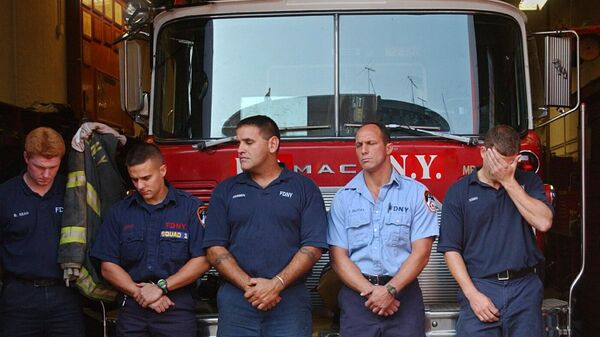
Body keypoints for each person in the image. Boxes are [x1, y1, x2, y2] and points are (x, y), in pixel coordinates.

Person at [203, 115, 328, 337]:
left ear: (272, 144)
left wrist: (276, 285)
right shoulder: (225, 190)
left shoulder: (305, 189)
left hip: (290, 302)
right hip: (237, 302)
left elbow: (312, 247)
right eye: (238, 142)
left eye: (248, 142)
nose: (240, 149)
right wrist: (251, 288)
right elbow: (214, 249)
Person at [438, 125, 553, 337]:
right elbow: (450, 249)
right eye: (499, 161)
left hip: (524, 288)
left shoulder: (529, 182)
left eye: (511, 162)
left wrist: (509, 182)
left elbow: (544, 223)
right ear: (484, 152)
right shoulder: (459, 191)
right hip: (481, 286)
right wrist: (472, 294)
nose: (505, 168)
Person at [328, 122, 438, 337]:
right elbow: (337, 257)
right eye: (358, 145)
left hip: (403, 298)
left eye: (371, 143)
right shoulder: (343, 198)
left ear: (389, 148)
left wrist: (390, 290)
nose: (364, 151)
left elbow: (422, 252)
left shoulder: (416, 193)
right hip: (358, 299)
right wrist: (373, 293)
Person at [91, 143, 209, 337]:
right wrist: (141, 294)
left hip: (175, 308)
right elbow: (108, 265)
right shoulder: (119, 212)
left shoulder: (190, 208)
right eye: (134, 179)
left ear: (162, 170)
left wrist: (161, 287)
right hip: (132, 309)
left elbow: (203, 259)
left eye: (146, 178)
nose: (140, 186)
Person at [0, 127, 85, 336]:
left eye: (53, 167)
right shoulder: (5, 195)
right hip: (18, 295)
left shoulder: (72, 192)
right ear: (26, 158)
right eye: (39, 167)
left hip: (65, 293)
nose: (46, 174)